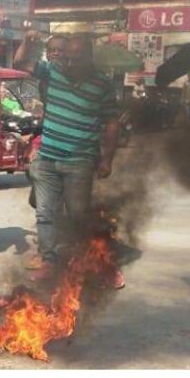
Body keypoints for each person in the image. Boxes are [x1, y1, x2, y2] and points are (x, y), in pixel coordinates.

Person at [14, 34, 119, 281]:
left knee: (78, 215)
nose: (69, 64)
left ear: (88, 57)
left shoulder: (102, 85)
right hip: (47, 158)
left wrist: (107, 159)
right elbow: (20, 62)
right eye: (67, 59)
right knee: (45, 213)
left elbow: (112, 123)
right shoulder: (53, 71)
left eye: (75, 59)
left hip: (80, 162)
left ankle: (91, 260)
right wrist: (27, 42)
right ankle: (49, 260)